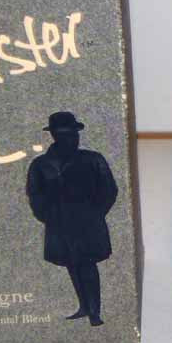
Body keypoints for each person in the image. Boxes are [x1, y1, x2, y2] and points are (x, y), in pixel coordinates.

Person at [26, 112, 118, 326]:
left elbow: (109, 189)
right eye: (65, 134)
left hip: (87, 223)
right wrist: (48, 216)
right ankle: (84, 306)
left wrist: (95, 213)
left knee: (87, 264)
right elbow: (35, 194)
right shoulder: (40, 164)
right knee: (72, 264)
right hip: (59, 224)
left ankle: (94, 312)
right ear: (54, 135)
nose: (72, 138)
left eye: (74, 133)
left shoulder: (92, 159)